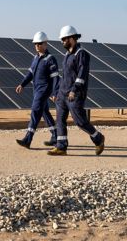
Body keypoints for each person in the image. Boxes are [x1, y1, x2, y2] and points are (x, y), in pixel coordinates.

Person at [47, 25, 105, 156]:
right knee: (60, 120)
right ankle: (61, 146)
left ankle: (98, 138)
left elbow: (82, 74)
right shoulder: (67, 55)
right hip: (62, 93)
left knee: (80, 121)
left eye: (64, 39)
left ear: (72, 38)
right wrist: (56, 92)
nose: (62, 42)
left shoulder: (82, 54)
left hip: (75, 94)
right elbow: (65, 75)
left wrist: (74, 90)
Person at [15, 31, 60, 149]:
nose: (37, 46)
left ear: (45, 44)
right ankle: (56, 136)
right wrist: (22, 84)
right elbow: (30, 73)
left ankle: (27, 139)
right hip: (36, 90)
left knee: (35, 111)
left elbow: (56, 77)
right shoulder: (35, 58)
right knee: (44, 112)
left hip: (44, 90)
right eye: (35, 44)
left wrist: (55, 92)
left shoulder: (50, 59)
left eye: (39, 43)